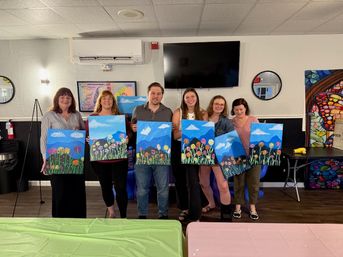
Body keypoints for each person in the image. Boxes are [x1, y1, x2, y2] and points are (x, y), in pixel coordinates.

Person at [40, 87, 86, 218]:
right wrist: (45, 158)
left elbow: (83, 132)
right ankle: (59, 221)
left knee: (76, 192)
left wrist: (81, 133)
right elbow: (43, 138)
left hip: (75, 160)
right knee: (59, 192)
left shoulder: (76, 115)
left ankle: (78, 220)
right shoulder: (49, 115)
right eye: (62, 97)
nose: (65, 100)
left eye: (68, 97)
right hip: (56, 160)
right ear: (57, 99)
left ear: (72, 100)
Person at [86, 90, 131, 218]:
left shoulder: (120, 117)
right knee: (105, 187)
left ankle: (123, 215)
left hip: (119, 160)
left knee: (121, 188)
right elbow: (88, 136)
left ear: (113, 102)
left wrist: (128, 137)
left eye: (110, 99)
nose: (107, 101)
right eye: (104, 99)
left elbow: (129, 133)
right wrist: (88, 139)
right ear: (100, 101)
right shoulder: (93, 118)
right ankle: (111, 212)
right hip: (99, 161)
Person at [131, 82, 173, 219]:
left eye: (158, 93)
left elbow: (171, 135)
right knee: (142, 189)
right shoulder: (138, 110)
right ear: (148, 94)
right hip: (142, 157)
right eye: (153, 93)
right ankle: (142, 215)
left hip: (162, 158)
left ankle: (163, 215)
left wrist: (171, 130)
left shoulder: (168, 112)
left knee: (163, 189)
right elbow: (132, 129)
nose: (155, 96)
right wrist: (133, 129)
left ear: (162, 95)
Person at [172, 88, 208, 222]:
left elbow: (204, 133)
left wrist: (190, 130)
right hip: (179, 148)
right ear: (184, 99)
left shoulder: (203, 113)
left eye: (192, 96)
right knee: (180, 180)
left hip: (194, 149)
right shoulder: (178, 112)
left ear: (197, 98)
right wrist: (189, 129)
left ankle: (196, 214)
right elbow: (175, 135)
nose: (190, 99)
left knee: (193, 181)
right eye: (187, 97)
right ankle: (184, 208)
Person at [199, 95, 234, 221]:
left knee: (223, 185)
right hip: (204, 154)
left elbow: (231, 140)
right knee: (203, 183)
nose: (219, 106)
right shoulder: (204, 118)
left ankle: (226, 213)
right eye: (216, 104)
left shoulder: (226, 122)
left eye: (222, 104)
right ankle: (211, 203)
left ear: (224, 107)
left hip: (220, 157)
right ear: (212, 105)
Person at [231, 98, 260, 220]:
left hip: (254, 156)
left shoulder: (253, 120)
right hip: (237, 156)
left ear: (245, 108)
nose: (239, 111)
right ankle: (238, 207)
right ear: (233, 109)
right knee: (239, 183)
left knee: (253, 183)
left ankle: (253, 208)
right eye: (236, 109)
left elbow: (261, 136)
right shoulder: (230, 122)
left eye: (241, 109)